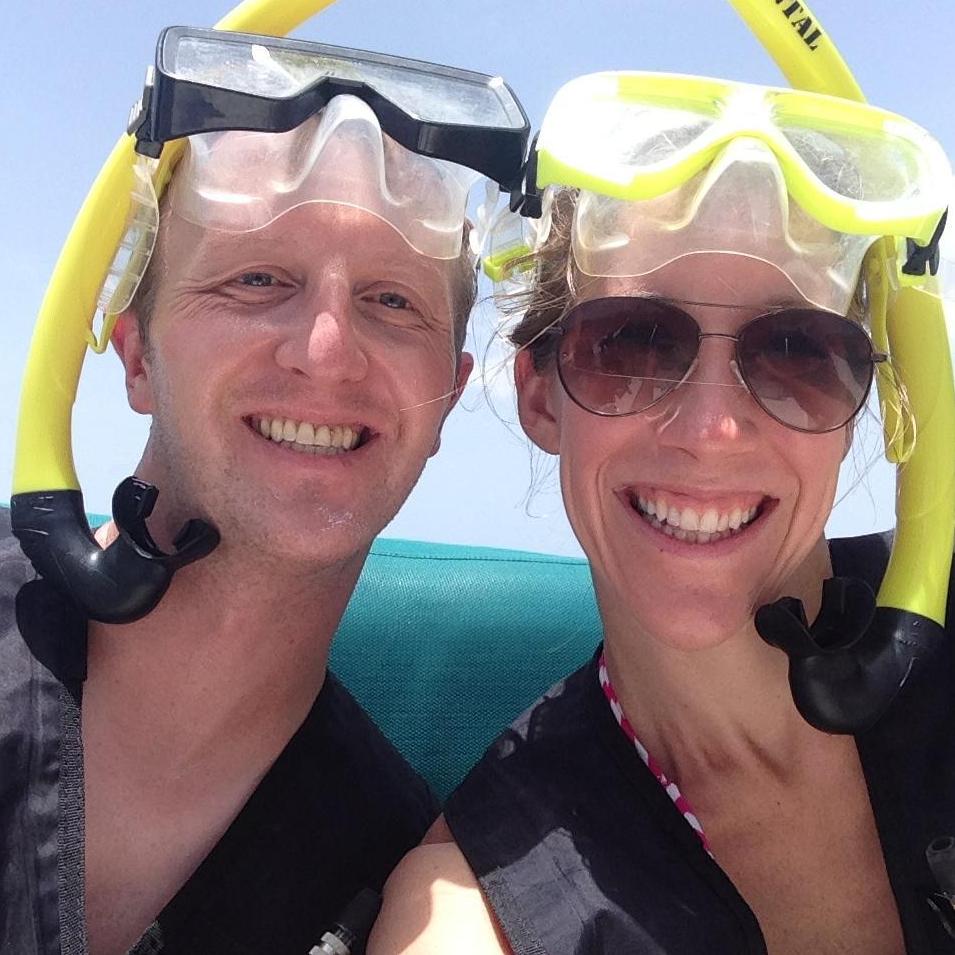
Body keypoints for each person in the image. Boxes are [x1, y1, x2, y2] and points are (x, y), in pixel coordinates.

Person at [368, 70, 955, 954]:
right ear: (539, 396)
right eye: (632, 344)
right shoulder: (474, 908)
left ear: (862, 400)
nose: (711, 431)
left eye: (796, 351)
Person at [0, 26, 528, 955]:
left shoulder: (401, 891)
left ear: (447, 397)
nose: (325, 352)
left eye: (391, 301)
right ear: (136, 356)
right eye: (256, 279)